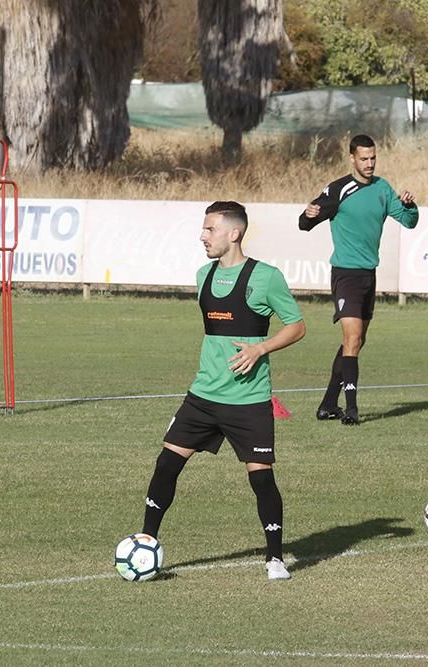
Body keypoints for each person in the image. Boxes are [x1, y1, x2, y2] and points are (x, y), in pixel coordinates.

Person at [139, 201, 306, 580]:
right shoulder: (203, 275)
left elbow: (296, 326)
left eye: (209, 229)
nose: (202, 236)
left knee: (261, 478)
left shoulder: (266, 277)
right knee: (166, 464)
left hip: (248, 401)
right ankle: (146, 540)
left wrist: (260, 348)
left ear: (234, 233)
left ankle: (275, 559)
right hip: (202, 397)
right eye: (203, 229)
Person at [298, 134, 419, 425]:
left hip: (368, 276)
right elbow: (305, 223)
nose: (369, 163)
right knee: (351, 339)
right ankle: (351, 408)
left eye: (373, 158)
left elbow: (409, 221)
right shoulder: (339, 189)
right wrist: (309, 212)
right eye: (363, 158)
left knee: (357, 341)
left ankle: (328, 403)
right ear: (352, 158)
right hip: (346, 275)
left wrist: (409, 205)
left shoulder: (382, 188)